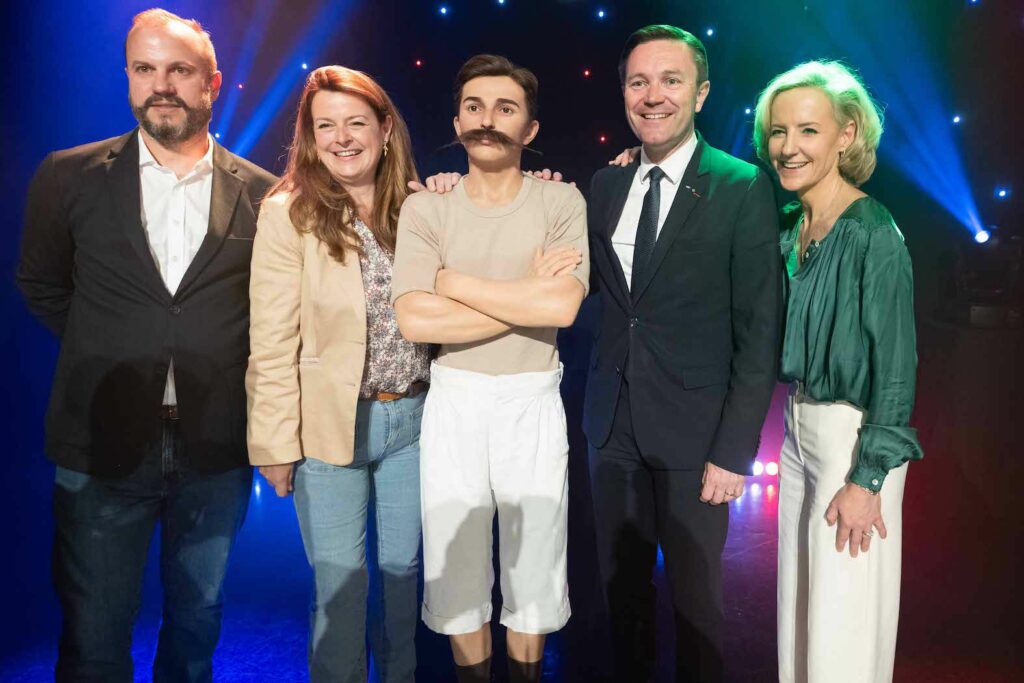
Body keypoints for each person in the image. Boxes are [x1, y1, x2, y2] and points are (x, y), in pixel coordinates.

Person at [16, 8, 275, 682]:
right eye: (144, 68)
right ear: (128, 77)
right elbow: (42, 285)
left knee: (196, 629)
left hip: (215, 449)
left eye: (179, 70)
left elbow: (274, 315)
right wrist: (113, 343)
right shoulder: (66, 175)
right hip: (99, 445)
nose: (161, 84)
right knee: (94, 635)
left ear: (211, 83)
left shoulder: (265, 196)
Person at [589, 25, 782, 682]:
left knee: (698, 607)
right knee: (622, 602)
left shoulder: (742, 186)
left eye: (670, 80)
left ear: (700, 93)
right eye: (638, 81)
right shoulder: (605, 184)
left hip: (697, 437)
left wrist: (735, 451)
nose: (652, 95)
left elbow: (760, 331)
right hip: (611, 426)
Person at [391, 54, 588, 683]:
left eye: (505, 109)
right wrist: (524, 294)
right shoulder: (426, 209)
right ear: (456, 121)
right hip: (454, 397)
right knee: (456, 566)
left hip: (532, 397)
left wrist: (454, 282)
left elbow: (561, 306)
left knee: (535, 561)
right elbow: (417, 322)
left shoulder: (561, 199)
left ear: (529, 129)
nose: (487, 120)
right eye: (474, 107)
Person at [245, 65, 429, 683]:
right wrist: (273, 441)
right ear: (310, 136)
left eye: (356, 122)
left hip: (416, 424)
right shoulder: (287, 212)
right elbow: (270, 338)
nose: (342, 137)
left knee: (405, 583)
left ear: (384, 128)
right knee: (340, 592)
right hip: (330, 429)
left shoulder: (419, 204)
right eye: (327, 125)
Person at [752, 60, 923, 683]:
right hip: (799, 431)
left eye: (807, 131)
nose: (788, 147)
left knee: (844, 621)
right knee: (800, 614)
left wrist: (868, 478)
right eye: (778, 132)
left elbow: (896, 369)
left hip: (855, 440)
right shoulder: (793, 226)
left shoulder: (873, 233)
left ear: (846, 135)